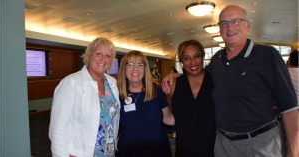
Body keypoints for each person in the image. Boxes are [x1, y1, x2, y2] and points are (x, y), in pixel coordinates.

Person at [162, 5, 298, 157]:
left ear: (248, 25)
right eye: (224, 23)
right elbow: (198, 73)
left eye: (235, 21)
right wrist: (176, 76)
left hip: (261, 143)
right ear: (220, 30)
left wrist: (293, 152)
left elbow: (290, 110)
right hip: (223, 145)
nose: (229, 27)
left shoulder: (268, 55)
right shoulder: (217, 60)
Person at [49, 37, 121, 157]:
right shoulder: (71, 83)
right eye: (98, 53)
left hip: (108, 152)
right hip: (79, 153)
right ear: (89, 55)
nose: (103, 59)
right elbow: (57, 130)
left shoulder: (112, 83)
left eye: (108, 56)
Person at [116, 50, 174, 157]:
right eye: (130, 64)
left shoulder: (157, 91)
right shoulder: (116, 94)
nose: (135, 69)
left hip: (158, 152)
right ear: (124, 69)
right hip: (128, 152)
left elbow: (168, 118)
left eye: (139, 65)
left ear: (145, 69)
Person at [167, 40, 216, 157]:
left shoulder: (215, 80)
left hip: (214, 149)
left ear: (203, 56)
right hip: (184, 149)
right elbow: (169, 114)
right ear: (181, 61)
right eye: (187, 58)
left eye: (197, 56)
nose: (193, 62)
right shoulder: (173, 84)